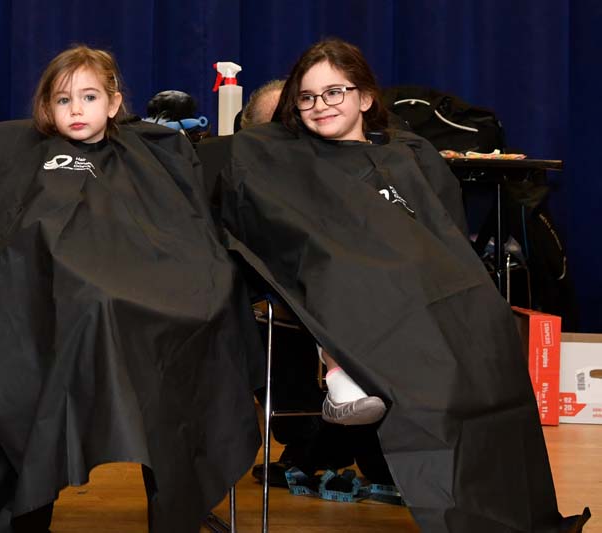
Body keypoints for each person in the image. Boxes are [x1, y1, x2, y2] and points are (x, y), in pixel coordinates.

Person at [0, 45, 263, 533]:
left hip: (141, 309)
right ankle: (18, 507)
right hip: (30, 310)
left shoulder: (152, 155)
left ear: (114, 102)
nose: (77, 109)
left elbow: (182, 237)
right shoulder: (9, 150)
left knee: (186, 323)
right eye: (63, 100)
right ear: (47, 107)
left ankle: (175, 501)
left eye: (89, 97)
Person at [219, 38, 590, 532]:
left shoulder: (409, 155)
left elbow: (446, 232)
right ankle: (345, 365)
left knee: (490, 333)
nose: (320, 105)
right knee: (362, 286)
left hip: (435, 290)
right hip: (367, 294)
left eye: (334, 92)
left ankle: (514, 512)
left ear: (365, 97)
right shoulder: (281, 160)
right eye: (307, 97)